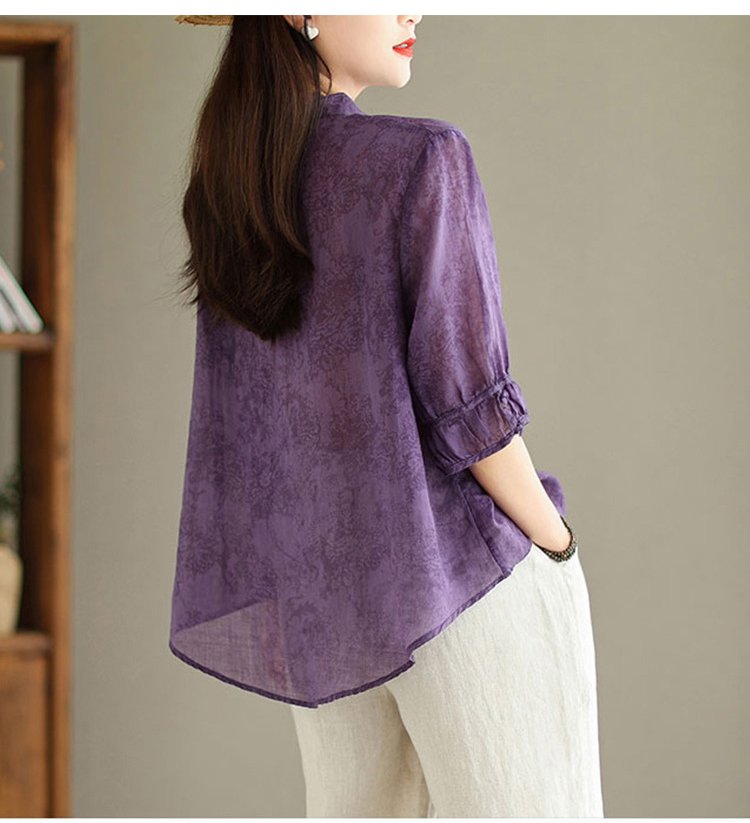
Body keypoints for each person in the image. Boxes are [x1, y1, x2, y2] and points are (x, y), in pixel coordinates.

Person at [169, 14, 604, 818]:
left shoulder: (225, 195)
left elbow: (264, 434)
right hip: (460, 582)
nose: (415, 10)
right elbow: (470, 406)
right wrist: (558, 543)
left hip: (328, 603)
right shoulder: (423, 157)